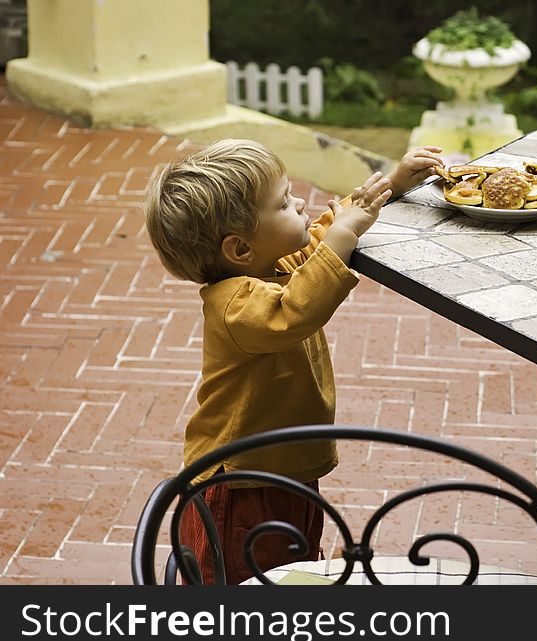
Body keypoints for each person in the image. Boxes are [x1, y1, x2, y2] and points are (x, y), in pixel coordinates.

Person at [144, 138, 443, 584]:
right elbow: (297, 309)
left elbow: (322, 239)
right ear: (241, 249)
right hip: (242, 482)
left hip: (284, 467)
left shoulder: (270, 264)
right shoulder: (235, 304)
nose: (300, 201)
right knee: (248, 579)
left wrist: (391, 188)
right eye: (284, 203)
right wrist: (343, 234)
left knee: (292, 565)